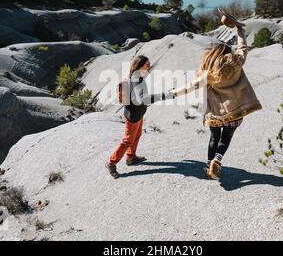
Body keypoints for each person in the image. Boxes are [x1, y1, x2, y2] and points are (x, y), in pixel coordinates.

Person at [170, 22, 262, 181]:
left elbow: (189, 87)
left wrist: (173, 93)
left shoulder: (208, 75)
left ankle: (208, 166)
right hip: (235, 112)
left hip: (215, 114)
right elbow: (242, 48)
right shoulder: (237, 62)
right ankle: (217, 161)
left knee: (214, 138)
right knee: (226, 138)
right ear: (227, 53)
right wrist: (240, 31)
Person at [106, 55, 172, 179]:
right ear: (139, 66)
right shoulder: (137, 79)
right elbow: (144, 99)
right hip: (133, 115)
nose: (149, 66)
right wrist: (165, 95)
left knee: (136, 135)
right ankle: (111, 163)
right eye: (147, 64)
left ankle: (131, 157)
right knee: (128, 140)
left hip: (137, 113)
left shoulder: (137, 76)